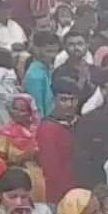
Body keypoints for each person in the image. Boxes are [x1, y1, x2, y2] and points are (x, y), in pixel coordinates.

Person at [0, 95, 46, 202]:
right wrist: (23, 156)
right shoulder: (4, 133)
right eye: (15, 109)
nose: (16, 113)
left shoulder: (39, 131)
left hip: (39, 177)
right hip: (16, 180)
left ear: (30, 113)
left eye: (22, 110)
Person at [37, 76, 79, 205]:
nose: (69, 105)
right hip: (60, 196)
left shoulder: (81, 122)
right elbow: (52, 170)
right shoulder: (47, 129)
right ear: (54, 99)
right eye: (63, 100)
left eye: (73, 99)